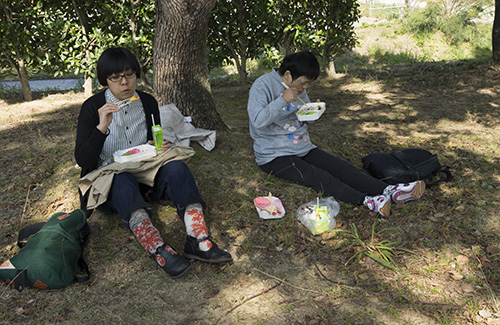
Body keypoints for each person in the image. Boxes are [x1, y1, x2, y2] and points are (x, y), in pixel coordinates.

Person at [75, 47, 232, 278]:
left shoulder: (146, 102)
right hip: (111, 183)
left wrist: (158, 145)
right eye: (115, 77)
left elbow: (152, 139)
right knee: (122, 179)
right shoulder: (92, 108)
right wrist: (102, 127)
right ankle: (157, 247)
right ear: (105, 80)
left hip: (145, 172)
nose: (124, 83)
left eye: (129, 74)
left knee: (177, 167)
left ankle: (198, 238)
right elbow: (83, 160)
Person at [247, 51, 425, 217]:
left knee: (340, 167)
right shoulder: (262, 86)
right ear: (287, 75)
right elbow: (258, 121)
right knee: (317, 176)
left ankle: (388, 190)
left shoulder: (299, 88)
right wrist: (282, 100)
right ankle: (367, 200)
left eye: (308, 84)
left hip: (302, 146)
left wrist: (312, 112)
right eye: (303, 83)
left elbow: (301, 117)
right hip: (273, 155)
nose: (305, 88)